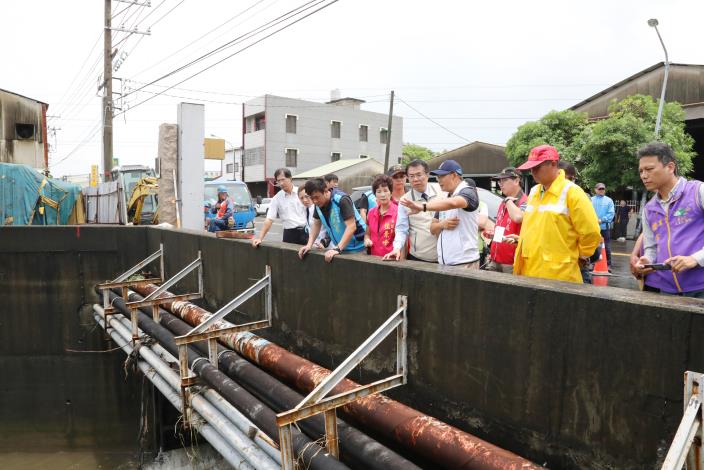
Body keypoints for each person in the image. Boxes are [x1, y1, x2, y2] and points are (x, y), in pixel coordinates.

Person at [511, 145, 601, 283]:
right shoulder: (535, 191)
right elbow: (537, 228)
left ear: (553, 164)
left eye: (537, 167)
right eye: (531, 168)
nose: (533, 172)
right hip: (530, 272)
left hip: (559, 276)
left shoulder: (572, 192)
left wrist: (582, 256)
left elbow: (591, 232)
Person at [633, 142, 704, 298]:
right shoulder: (649, 209)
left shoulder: (698, 192)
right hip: (667, 290)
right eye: (641, 171)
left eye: (649, 169)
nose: (644, 175)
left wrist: (695, 259)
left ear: (670, 167)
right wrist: (647, 261)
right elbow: (651, 247)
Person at [400, 160, 480, 268]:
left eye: (441, 176)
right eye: (437, 177)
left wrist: (423, 206)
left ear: (453, 175)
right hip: (446, 262)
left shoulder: (468, 191)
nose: (438, 180)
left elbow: (455, 203)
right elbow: (433, 228)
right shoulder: (445, 198)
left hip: (465, 262)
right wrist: (442, 225)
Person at [383, 159, 445, 262]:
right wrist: (397, 248)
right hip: (420, 256)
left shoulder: (441, 191)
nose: (415, 179)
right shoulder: (405, 201)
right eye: (411, 176)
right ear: (407, 178)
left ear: (427, 174)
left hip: (445, 255)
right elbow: (401, 229)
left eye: (419, 175)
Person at [298, 178, 367, 263]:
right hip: (342, 248)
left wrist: (338, 248)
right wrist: (309, 245)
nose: (315, 201)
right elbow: (316, 224)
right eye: (312, 198)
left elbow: (351, 226)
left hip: (359, 248)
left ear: (325, 191)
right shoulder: (318, 204)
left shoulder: (341, 199)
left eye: (317, 197)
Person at [484, 167, 527, 273]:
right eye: (499, 181)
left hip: (512, 262)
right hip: (495, 259)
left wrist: (507, 201)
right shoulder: (504, 202)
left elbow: (518, 218)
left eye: (504, 180)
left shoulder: (525, 202)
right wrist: (493, 251)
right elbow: (500, 228)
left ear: (516, 181)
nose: (500, 184)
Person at [251, 168, 308, 247]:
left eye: (283, 179)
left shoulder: (302, 193)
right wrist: (260, 238)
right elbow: (269, 219)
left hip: (306, 232)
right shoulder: (277, 198)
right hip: (289, 234)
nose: (281, 183)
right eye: (278, 181)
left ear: (290, 178)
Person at [364, 175, 398, 257]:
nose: (382, 195)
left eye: (385, 190)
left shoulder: (398, 212)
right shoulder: (371, 213)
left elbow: (403, 239)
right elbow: (367, 234)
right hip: (374, 258)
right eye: (379, 192)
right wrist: (367, 240)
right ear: (375, 194)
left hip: (391, 259)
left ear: (391, 192)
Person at [591, 183, 615, 269]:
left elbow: (611, 214)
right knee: (592, 245)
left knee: (607, 246)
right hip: (593, 227)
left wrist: (602, 220)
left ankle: (608, 265)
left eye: (603, 189)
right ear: (595, 190)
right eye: (600, 189)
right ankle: (592, 263)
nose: (602, 190)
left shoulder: (609, 200)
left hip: (604, 227)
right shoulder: (591, 200)